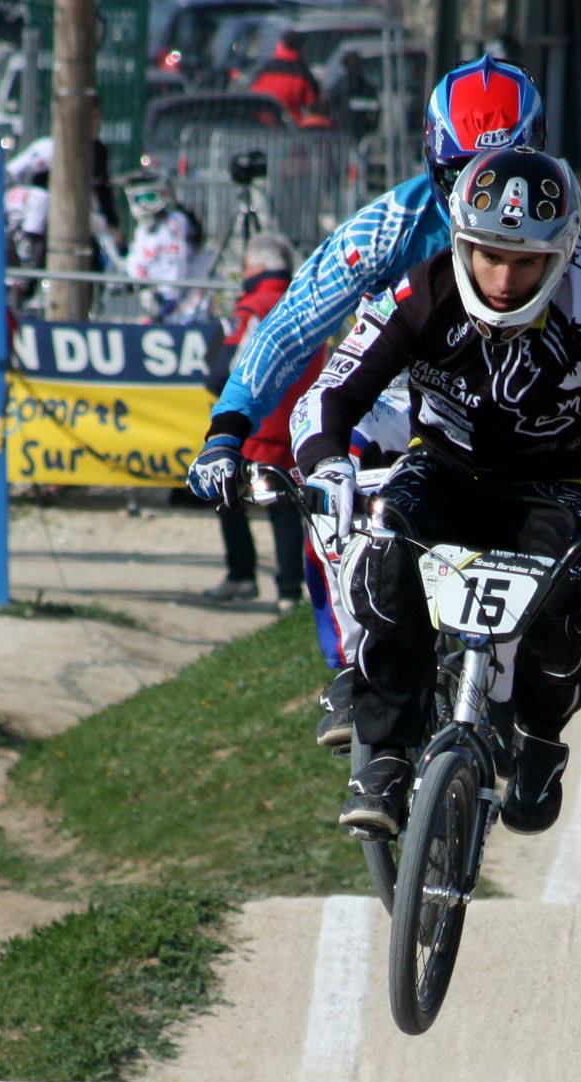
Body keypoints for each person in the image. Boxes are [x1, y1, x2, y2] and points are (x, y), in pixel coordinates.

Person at [290, 147, 581, 837]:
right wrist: (329, 466)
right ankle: (385, 753)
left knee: (566, 601)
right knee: (384, 553)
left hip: (552, 488)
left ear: (561, 255)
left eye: (527, 261)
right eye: (489, 255)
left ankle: (539, 741)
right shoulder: (420, 293)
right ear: (461, 242)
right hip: (442, 469)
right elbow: (332, 391)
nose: (505, 279)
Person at [188, 56, 561, 747]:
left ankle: (521, 692)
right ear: (432, 160)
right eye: (459, 176)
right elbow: (290, 326)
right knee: (325, 480)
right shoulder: (384, 229)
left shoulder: (572, 239)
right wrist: (227, 430)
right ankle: (351, 665)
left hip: (506, 416)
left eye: (500, 173)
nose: (477, 196)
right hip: (394, 404)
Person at [202, 233, 316, 607]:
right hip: (301, 425)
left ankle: (241, 576)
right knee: (286, 508)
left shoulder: (253, 307)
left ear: (258, 267)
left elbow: (225, 371)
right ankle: (289, 593)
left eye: (247, 266)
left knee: (227, 495)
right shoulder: (311, 302)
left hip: (256, 427)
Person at [121, 170, 212, 323]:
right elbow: (136, 263)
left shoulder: (175, 223)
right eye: (137, 198)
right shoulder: (141, 231)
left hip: (185, 299)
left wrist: (170, 300)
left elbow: (177, 264)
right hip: (159, 299)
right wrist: (142, 285)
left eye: (148, 197)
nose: (142, 204)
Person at [248, 31, 323, 125]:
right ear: (301, 48)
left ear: (281, 44)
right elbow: (313, 106)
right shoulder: (303, 74)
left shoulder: (263, 71)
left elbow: (252, 98)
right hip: (290, 127)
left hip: (261, 126)